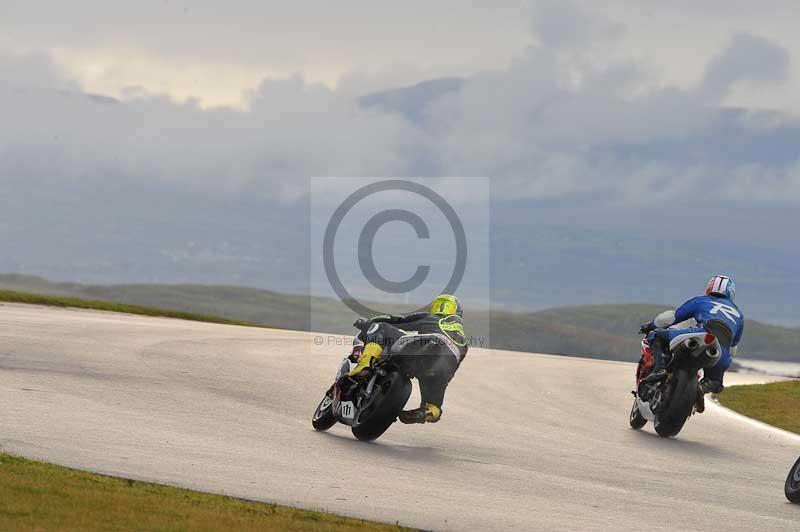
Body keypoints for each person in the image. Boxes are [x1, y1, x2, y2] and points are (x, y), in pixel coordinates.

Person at [347, 294, 468, 424]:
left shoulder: (431, 317)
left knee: (381, 327)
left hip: (428, 346)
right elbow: (451, 368)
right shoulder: (463, 341)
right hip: (442, 367)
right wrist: (439, 382)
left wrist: (369, 322)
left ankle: (365, 365)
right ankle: (426, 413)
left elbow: (397, 320)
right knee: (434, 406)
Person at [639, 275, 744, 401]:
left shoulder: (701, 300)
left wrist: (651, 325)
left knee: (657, 335)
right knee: (715, 383)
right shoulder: (739, 315)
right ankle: (703, 388)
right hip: (722, 352)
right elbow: (733, 349)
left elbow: (671, 317)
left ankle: (659, 370)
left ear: (710, 287)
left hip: (701, 333)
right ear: (731, 293)